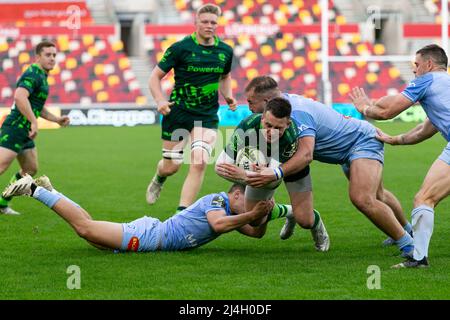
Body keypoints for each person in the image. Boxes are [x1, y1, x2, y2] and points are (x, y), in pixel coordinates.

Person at [242, 76, 414, 258]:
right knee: (379, 195)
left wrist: (275, 172)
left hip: (362, 141)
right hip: (349, 148)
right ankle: (409, 230)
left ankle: (409, 247)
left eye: (251, 102)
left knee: (362, 198)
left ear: (267, 101)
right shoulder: (286, 107)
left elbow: (306, 154)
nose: (249, 107)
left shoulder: (296, 113)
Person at [349, 44, 450, 268]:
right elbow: (425, 129)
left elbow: (388, 111)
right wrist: (396, 140)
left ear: (429, 64)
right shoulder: (444, 88)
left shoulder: (427, 80)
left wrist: (365, 108)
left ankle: (418, 258)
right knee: (425, 198)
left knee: (424, 199)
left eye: (416, 64)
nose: (414, 70)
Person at [3, 174, 274, 252]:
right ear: (237, 193)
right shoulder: (217, 200)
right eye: (248, 201)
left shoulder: (234, 214)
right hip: (150, 237)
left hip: (152, 233)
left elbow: (255, 234)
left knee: (93, 236)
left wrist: (260, 217)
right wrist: (251, 215)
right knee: (86, 230)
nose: (249, 207)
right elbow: (218, 225)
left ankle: (53, 191)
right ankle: (35, 191)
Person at [146, 3, 237, 213]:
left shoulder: (225, 51)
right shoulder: (180, 48)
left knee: (199, 161)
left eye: (213, 22)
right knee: (172, 166)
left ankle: (182, 213)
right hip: (177, 113)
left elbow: (225, 76)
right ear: (196, 22)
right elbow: (154, 77)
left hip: (206, 115)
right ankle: (160, 177)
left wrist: (228, 95)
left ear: (218, 24)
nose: (209, 25)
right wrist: (160, 100)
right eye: (204, 21)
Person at [215, 97, 330, 252]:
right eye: (267, 125)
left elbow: (273, 179)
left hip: (292, 168)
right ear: (262, 117)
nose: (271, 132)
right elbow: (219, 166)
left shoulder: (290, 136)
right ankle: (290, 212)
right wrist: (247, 173)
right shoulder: (247, 125)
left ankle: (316, 223)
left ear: (287, 125)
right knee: (255, 221)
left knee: (306, 221)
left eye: (278, 128)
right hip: (261, 171)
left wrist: (245, 175)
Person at [0, 40, 70, 215]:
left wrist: (56, 120)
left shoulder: (42, 76)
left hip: (24, 132)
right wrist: (33, 121)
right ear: (38, 56)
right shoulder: (33, 73)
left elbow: (36, 106)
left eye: (54, 55)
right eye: (48, 55)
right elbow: (19, 97)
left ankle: (2, 203)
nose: (52, 58)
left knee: (30, 169)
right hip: (15, 128)